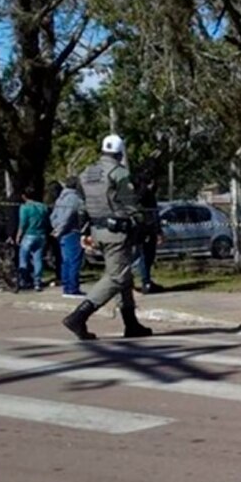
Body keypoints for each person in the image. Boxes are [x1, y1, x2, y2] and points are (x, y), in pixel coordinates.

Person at [62, 134, 153, 340]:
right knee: (116, 277)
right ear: (120, 153)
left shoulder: (87, 173)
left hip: (98, 230)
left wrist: (85, 232)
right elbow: (129, 204)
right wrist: (142, 222)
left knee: (124, 276)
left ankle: (131, 324)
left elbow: (83, 205)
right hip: (118, 232)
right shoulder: (118, 172)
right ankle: (79, 316)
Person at [51, 176, 86, 298]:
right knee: (74, 261)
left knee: (65, 261)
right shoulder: (75, 198)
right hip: (72, 231)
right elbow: (68, 216)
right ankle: (72, 288)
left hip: (61, 233)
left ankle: (66, 287)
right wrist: (60, 229)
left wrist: (55, 228)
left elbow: (53, 216)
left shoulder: (60, 198)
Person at [133, 168, 164, 294]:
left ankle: (145, 280)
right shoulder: (146, 194)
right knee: (146, 256)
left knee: (141, 255)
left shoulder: (135, 194)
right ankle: (146, 282)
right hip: (147, 228)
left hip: (140, 228)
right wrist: (158, 231)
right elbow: (153, 216)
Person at [17, 186, 50, 292]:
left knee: (23, 259)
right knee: (38, 259)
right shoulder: (43, 207)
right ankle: (37, 282)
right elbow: (47, 221)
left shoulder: (25, 207)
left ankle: (24, 281)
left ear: (24, 196)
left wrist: (18, 235)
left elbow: (23, 223)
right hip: (41, 235)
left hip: (29, 235)